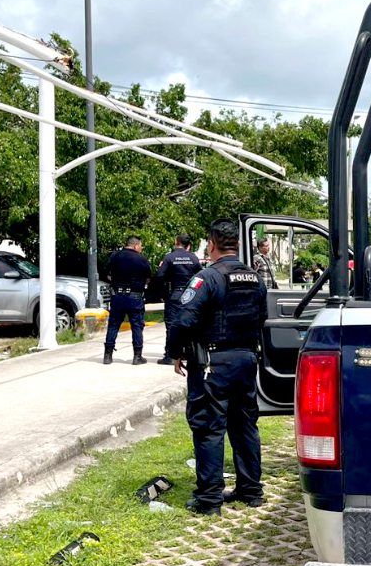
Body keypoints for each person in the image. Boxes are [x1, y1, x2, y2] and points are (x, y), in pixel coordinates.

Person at [168, 219, 269, 516]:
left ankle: (209, 499)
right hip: (246, 361)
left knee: (209, 428)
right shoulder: (255, 278)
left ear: (211, 244)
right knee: (245, 425)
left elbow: (183, 320)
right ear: (236, 243)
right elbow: (261, 317)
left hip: (213, 363)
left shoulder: (207, 278)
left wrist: (176, 353)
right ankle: (251, 491)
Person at [102, 235, 152, 365]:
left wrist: (118, 282)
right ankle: (137, 356)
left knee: (113, 325)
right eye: (140, 246)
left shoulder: (115, 256)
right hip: (135, 297)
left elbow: (107, 274)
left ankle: (107, 355)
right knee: (136, 326)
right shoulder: (142, 259)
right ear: (135, 246)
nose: (141, 249)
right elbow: (148, 278)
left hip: (118, 295)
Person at [154, 234, 201, 365]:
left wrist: (161, 293)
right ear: (189, 246)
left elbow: (159, 276)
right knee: (189, 324)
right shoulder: (194, 258)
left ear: (175, 242)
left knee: (171, 325)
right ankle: (187, 352)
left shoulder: (169, 257)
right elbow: (200, 276)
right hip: (190, 295)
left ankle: (170, 355)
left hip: (174, 294)